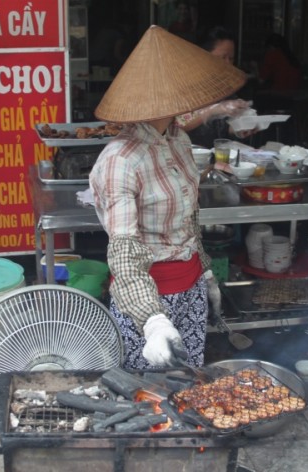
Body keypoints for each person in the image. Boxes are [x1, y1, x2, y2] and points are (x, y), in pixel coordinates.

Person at [89, 26, 247, 369]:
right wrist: (153, 321)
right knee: (149, 401)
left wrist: (204, 271)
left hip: (191, 291)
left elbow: (190, 221)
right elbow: (124, 255)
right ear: (166, 96)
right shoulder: (120, 160)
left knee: (188, 386)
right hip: (147, 299)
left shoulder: (178, 140)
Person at [177, 26, 253, 148]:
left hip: (216, 156)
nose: (228, 63)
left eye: (231, 58)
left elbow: (221, 126)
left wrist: (238, 128)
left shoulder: (226, 86)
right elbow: (176, 126)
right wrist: (212, 110)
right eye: (222, 57)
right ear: (203, 55)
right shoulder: (182, 83)